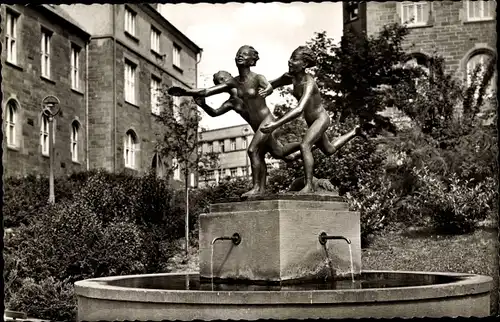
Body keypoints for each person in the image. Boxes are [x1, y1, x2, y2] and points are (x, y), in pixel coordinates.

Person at [168, 46, 301, 197]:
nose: (221, 82)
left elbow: (269, 84)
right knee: (279, 153)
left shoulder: (255, 79)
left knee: (253, 151)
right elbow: (211, 102)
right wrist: (189, 95)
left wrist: (269, 88)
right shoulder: (232, 98)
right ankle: (305, 146)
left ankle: (257, 189)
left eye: (223, 79)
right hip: (257, 127)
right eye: (219, 81)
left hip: (267, 122)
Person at [261, 46, 368, 194]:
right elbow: (273, 83)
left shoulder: (308, 82)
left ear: (304, 64)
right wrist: (265, 89)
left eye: (295, 59)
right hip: (311, 121)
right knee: (329, 150)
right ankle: (355, 131)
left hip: (321, 119)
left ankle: (309, 185)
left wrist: (275, 124)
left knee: (305, 145)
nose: (290, 61)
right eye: (291, 58)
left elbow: (299, 109)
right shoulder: (290, 77)